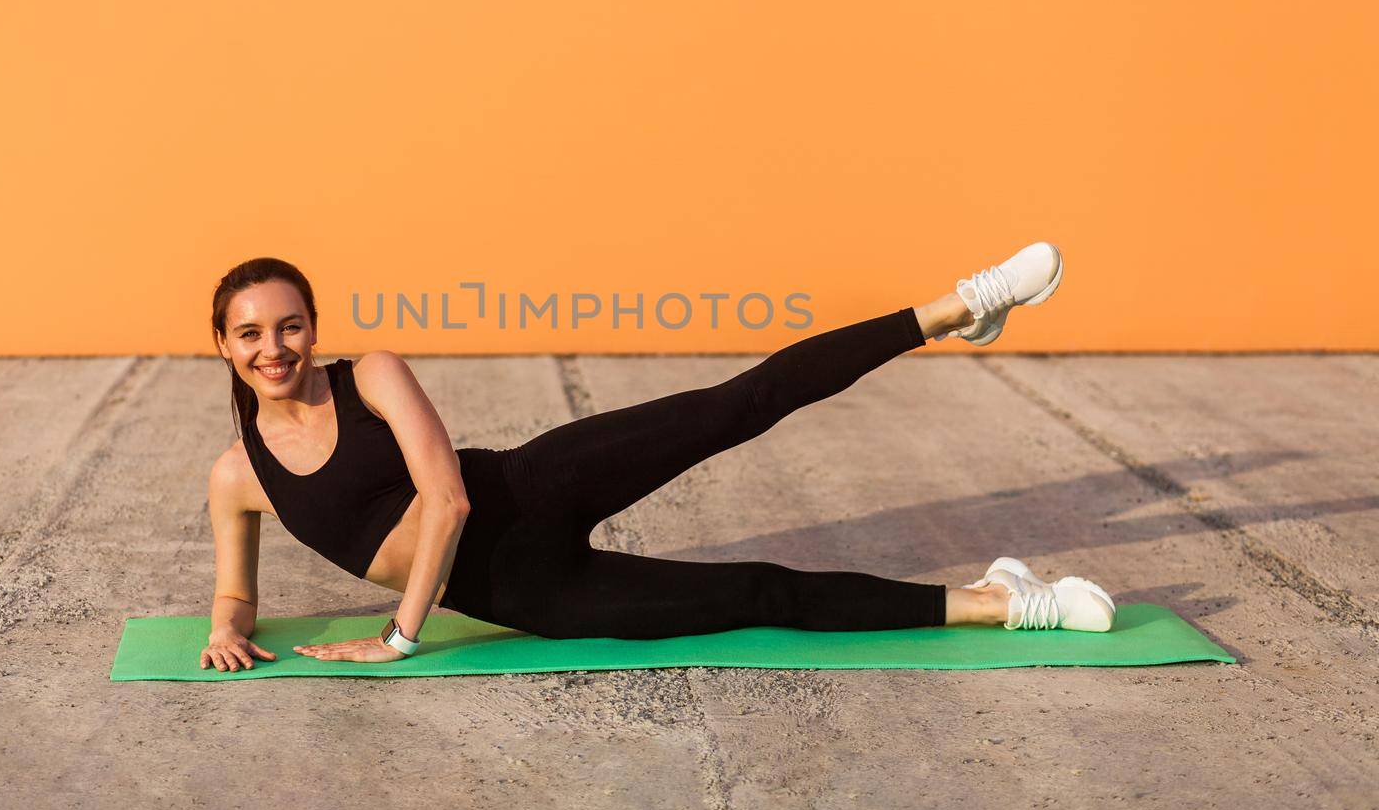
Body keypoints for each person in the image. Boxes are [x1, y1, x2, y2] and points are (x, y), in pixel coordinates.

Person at [199, 243, 1114, 671]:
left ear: (313, 328)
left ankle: (957, 308)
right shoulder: (238, 477)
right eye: (251, 333)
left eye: (291, 325)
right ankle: (1007, 604)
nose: (274, 347)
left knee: (738, 404)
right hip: (533, 597)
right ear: (223, 345)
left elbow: (445, 501)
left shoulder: (371, 377)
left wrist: (400, 637)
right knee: (759, 594)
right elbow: (235, 592)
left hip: (530, 486)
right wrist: (227, 628)